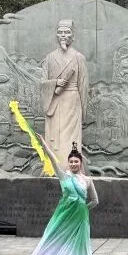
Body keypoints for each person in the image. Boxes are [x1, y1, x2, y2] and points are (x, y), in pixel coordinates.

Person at [29, 136, 98, 255]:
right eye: (71, 161)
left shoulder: (87, 180)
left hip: (80, 218)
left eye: (76, 161)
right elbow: (52, 159)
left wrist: (83, 209)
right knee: (61, 242)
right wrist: (44, 144)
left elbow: (95, 200)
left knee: (81, 246)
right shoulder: (63, 176)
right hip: (64, 216)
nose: (73, 164)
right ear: (68, 163)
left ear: (80, 163)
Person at [40, 19, 89, 159]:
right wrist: (55, 82)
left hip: (72, 102)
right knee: (54, 136)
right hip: (54, 101)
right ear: (56, 36)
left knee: (71, 136)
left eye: (67, 32)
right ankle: (53, 165)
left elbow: (83, 85)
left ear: (73, 36)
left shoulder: (79, 58)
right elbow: (42, 83)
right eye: (60, 32)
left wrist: (83, 111)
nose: (63, 35)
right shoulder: (49, 58)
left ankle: (73, 164)